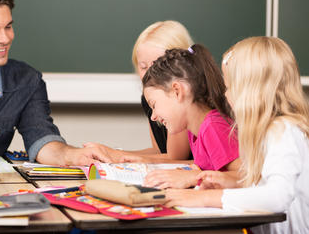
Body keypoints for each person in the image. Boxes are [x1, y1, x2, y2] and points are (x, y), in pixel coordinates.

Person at [165, 37, 309, 234]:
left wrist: (204, 198)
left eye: (230, 86)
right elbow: (265, 182)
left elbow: (278, 196)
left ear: (252, 90)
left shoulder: (284, 131)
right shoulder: (265, 131)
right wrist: (232, 182)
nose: (225, 94)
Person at [0, 0, 112, 165]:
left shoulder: (26, 80)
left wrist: (73, 156)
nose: (5, 38)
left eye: (8, 26)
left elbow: (42, 140)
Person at [84, 21, 194, 163]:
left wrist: (116, 156)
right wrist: (115, 153)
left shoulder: (180, 101)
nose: (150, 74)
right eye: (143, 66)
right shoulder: (149, 99)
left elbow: (175, 157)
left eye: (156, 65)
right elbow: (159, 150)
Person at [141, 45, 240, 189]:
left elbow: (247, 177)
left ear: (177, 91)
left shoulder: (213, 126)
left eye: (154, 105)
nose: (153, 117)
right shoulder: (195, 130)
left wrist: (194, 177)